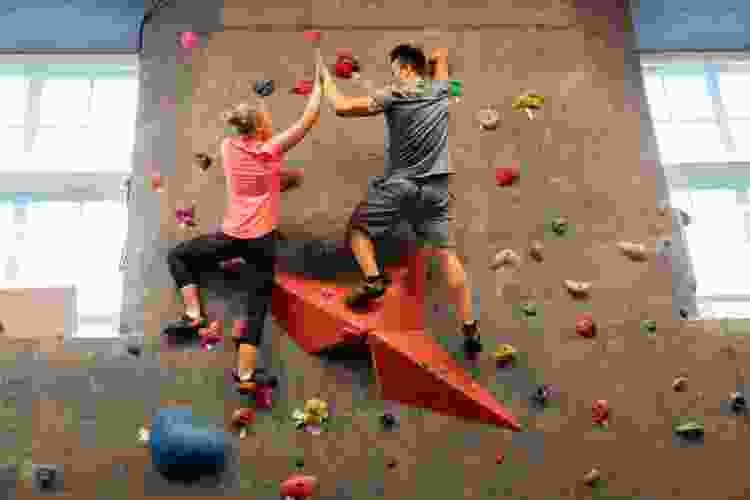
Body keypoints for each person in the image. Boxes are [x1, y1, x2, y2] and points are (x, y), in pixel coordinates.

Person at [164, 46, 323, 382]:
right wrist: (320, 84)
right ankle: (245, 374)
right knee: (256, 306)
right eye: (267, 123)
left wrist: (282, 179)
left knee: (178, 256)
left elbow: (260, 165)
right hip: (261, 243)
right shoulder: (272, 149)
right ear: (263, 129)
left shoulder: (227, 147)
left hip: (231, 236)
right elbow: (307, 120)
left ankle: (193, 314)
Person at [318, 43, 482, 354]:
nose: (393, 76)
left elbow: (341, 107)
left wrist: (325, 80)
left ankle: (373, 279)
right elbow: (441, 56)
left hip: (400, 186)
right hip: (437, 191)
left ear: (406, 69)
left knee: (357, 230)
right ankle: (470, 328)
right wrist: (437, 58)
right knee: (447, 254)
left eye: (395, 70)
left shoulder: (394, 96)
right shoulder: (440, 89)